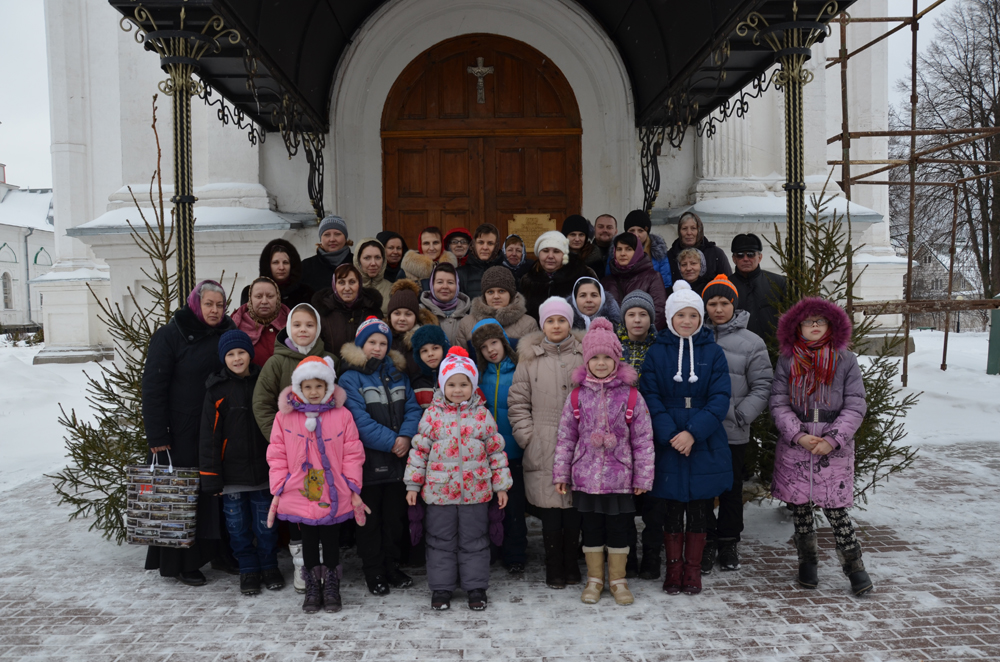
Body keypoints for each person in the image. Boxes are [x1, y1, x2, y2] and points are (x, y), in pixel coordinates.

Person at [770, 297, 872, 596]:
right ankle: (807, 563)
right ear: (797, 326)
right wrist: (797, 435)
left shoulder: (845, 360)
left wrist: (833, 439)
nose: (814, 326)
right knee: (801, 510)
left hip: (834, 448)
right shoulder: (788, 360)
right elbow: (778, 402)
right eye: (807, 321)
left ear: (831, 324)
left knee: (837, 511)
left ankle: (854, 567)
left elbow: (855, 404)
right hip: (797, 446)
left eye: (820, 320)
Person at [639, 280, 732, 596]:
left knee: (699, 507)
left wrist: (693, 432)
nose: (687, 321)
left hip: (703, 438)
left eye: (693, 315)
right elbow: (650, 396)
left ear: (701, 318)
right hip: (668, 439)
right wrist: (670, 434)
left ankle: (692, 570)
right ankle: (673, 568)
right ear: (670, 318)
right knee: (671, 507)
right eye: (681, 315)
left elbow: (720, 397)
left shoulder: (713, 352)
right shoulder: (657, 352)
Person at [552, 318, 655, 605]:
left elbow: (643, 440)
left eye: (606, 358)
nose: (600, 363)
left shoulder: (631, 396)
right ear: (586, 361)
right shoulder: (577, 396)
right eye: (594, 358)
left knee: (620, 529)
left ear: (616, 360)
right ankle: (595, 580)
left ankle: (618, 580)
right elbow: (566, 437)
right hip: (586, 479)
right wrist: (561, 473)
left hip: (619, 480)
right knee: (592, 529)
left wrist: (642, 478)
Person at [142, 280, 236, 586]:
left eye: (220, 305)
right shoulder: (171, 335)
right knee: (182, 495)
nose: (215, 310)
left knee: (216, 495)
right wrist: (158, 435)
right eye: (208, 304)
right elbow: (153, 387)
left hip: (217, 428)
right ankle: (182, 562)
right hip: (181, 431)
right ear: (195, 304)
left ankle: (219, 552)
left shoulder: (228, 333)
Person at [404, 347, 513, 611]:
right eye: (451, 384)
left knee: (474, 541)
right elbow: (419, 451)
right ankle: (442, 588)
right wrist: (413, 484)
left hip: (476, 492)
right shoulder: (432, 415)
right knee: (440, 542)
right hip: (439, 494)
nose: (457, 390)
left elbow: (496, 452)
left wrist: (501, 486)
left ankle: (476, 587)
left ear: (473, 386)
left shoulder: (481, 415)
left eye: (463, 384)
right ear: (442, 385)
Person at [266, 356, 366, 613]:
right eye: (307, 386)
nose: (313, 392)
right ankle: (312, 583)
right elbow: (277, 453)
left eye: (319, 386)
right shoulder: (285, 417)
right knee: (308, 536)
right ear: (298, 387)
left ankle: (331, 583)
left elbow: (352, 452)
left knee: (331, 536)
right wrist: (280, 484)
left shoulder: (342, 415)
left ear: (328, 387)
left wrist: (351, 483)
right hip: (303, 486)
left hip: (333, 487)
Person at [252, 302, 337, 592]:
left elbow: (337, 405)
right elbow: (262, 403)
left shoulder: (328, 360)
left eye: (309, 325)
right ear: (288, 328)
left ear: (318, 329)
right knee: (300, 509)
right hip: (295, 457)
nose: (303, 330)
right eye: (297, 325)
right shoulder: (276, 363)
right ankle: (303, 565)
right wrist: (282, 441)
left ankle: (324, 563)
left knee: (322, 507)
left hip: (323, 457)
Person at [338, 317, 423, 595]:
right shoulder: (350, 378)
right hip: (369, 466)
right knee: (369, 522)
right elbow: (358, 421)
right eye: (371, 342)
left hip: (398, 464)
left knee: (393, 520)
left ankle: (391, 566)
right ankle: (373, 570)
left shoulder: (398, 375)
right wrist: (392, 442)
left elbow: (413, 408)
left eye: (383, 343)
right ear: (360, 344)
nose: (377, 348)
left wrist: (406, 436)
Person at [507, 296, 585, 589]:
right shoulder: (530, 359)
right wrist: (527, 436)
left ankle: (571, 562)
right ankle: (554, 566)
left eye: (561, 320)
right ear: (542, 325)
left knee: (574, 507)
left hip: (579, 441)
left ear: (570, 323)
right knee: (550, 508)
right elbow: (518, 401)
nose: (556, 325)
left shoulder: (583, 355)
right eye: (550, 321)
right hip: (543, 440)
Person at [200, 330, 282, 596]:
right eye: (231, 354)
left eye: (241, 352)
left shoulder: (263, 382)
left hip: (263, 473)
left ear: (250, 354)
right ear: (223, 358)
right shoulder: (216, 390)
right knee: (237, 527)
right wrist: (211, 477)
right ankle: (248, 569)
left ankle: (269, 565)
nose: (237, 359)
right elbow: (209, 437)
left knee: (266, 525)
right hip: (231, 477)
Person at [700, 275, 773, 574]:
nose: (718, 309)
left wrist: (741, 415)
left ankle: (729, 541)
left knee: (731, 487)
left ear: (734, 304)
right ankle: (706, 539)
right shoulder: (696, 337)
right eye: (712, 303)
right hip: (700, 429)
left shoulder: (752, 342)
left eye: (724, 303)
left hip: (733, 428)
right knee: (703, 488)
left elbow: (763, 385)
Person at [470, 319, 525, 574]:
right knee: (489, 506)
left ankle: (515, 554)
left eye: (494, 342)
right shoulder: (478, 376)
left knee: (513, 507)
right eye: (483, 347)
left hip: (513, 451)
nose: (490, 350)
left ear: (503, 342)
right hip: (484, 455)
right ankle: (492, 549)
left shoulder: (520, 370)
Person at [612, 290, 660, 579]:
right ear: (624, 318)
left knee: (653, 499)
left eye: (643, 314)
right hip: (620, 433)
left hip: (654, 430)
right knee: (625, 500)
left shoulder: (660, 345)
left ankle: (652, 553)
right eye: (631, 314)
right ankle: (627, 554)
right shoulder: (614, 347)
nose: (637, 319)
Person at [454, 266, 539, 352]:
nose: (496, 296)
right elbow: (459, 358)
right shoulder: (466, 324)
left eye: (501, 291)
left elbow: (535, 358)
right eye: (490, 292)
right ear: (484, 295)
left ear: (511, 294)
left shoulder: (528, 324)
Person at [519, 231, 597, 321]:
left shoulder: (582, 275)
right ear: (538, 254)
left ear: (564, 255)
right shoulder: (528, 279)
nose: (550, 256)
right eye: (545, 251)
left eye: (556, 251)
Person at [312, 263, 384, 357]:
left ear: (359, 284)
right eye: (341, 282)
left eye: (352, 282)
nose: (347, 288)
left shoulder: (372, 310)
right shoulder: (323, 313)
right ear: (334, 285)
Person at [602, 232, 667, 330]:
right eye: (619, 249)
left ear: (637, 252)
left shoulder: (652, 277)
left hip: (644, 337)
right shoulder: (606, 281)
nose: (623, 253)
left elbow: (659, 311)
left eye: (628, 249)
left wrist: (640, 334)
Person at [730, 233, 787, 343]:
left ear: (759, 257)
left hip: (773, 348)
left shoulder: (778, 283)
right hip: (736, 347)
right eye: (740, 255)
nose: (745, 259)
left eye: (751, 254)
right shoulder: (726, 286)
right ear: (734, 259)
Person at [386, 278, 439, 379]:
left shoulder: (425, 341)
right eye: (397, 313)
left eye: (408, 314)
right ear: (389, 316)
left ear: (416, 318)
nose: (402, 318)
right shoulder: (383, 340)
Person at [239, 238, 314, 309]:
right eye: (275, 262)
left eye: (285, 262)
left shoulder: (305, 293)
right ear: (268, 265)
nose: (281, 267)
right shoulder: (251, 292)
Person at [231, 277, 289, 367]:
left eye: (270, 296)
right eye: (258, 296)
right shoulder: (235, 326)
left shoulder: (292, 323)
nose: (264, 301)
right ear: (250, 299)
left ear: (277, 298)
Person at [665, 211, 732, 285]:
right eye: (684, 228)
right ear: (679, 231)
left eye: (693, 228)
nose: (689, 233)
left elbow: (728, 284)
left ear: (699, 230)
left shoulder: (715, 254)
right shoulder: (670, 256)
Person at [419, 262, 471, 346]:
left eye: (450, 282)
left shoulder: (469, 318)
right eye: (440, 282)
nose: (445, 286)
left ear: (457, 286)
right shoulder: (419, 313)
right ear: (432, 285)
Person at [301, 215, 354, 294]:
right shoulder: (306, 266)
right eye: (327, 235)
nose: (332, 239)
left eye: (337, 234)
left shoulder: (357, 263)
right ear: (321, 238)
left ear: (345, 238)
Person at [623, 210, 673, 292]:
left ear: (647, 232)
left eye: (640, 230)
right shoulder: (617, 252)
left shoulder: (658, 254)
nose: (636, 235)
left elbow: (665, 284)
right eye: (632, 230)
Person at [458, 223, 505, 299]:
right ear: (474, 244)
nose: (485, 247)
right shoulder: (460, 274)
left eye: (490, 243)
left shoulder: (506, 273)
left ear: (496, 246)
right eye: (481, 242)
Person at [410, 324, 449, 409]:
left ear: (444, 349)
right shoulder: (415, 382)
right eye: (424, 351)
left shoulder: (454, 375)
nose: (430, 354)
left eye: (435, 348)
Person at [354, 238, 393, 314]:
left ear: (383, 260)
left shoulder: (393, 289)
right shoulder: (349, 289)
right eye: (367, 258)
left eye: (377, 257)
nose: (373, 263)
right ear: (358, 261)